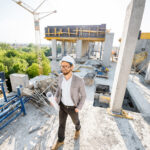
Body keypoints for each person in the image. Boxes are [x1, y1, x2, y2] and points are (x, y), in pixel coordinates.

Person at [51, 55, 86, 150]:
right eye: (62, 66)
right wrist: (55, 98)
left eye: (66, 66)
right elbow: (58, 89)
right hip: (62, 105)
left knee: (76, 122)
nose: (64, 68)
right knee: (61, 124)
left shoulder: (79, 80)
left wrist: (79, 107)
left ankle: (78, 129)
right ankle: (60, 140)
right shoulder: (60, 77)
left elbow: (83, 96)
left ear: (72, 67)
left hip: (73, 107)